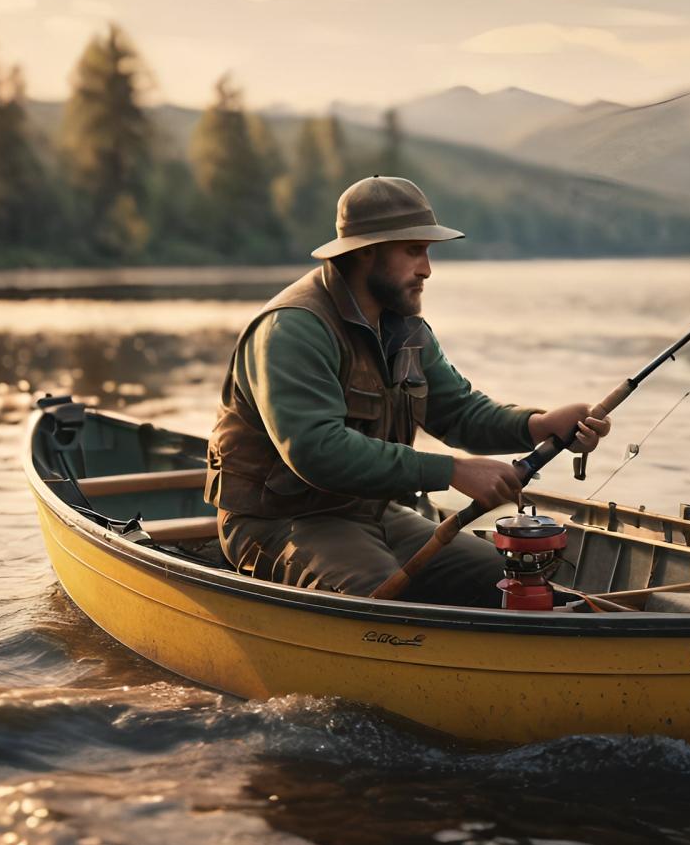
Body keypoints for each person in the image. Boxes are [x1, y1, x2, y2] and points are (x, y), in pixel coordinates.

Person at [206, 176, 610, 607]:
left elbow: (457, 411)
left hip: (375, 513)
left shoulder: (404, 326)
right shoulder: (293, 329)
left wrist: (537, 424)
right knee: (376, 602)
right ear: (365, 253)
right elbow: (316, 450)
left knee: (506, 581)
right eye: (413, 251)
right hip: (279, 523)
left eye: (428, 252)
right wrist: (451, 471)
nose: (427, 269)